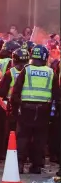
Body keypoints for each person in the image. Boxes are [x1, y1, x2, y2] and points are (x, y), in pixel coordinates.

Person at [11, 44, 60, 174]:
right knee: (40, 138)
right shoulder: (51, 73)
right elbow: (57, 94)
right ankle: (37, 166)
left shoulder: (26, 70)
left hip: (26, 108)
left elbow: (15, 92)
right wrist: (55, 113)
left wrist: (16, 108)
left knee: (22, 137)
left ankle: (20, 165)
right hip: (44, 109)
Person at [0, 48, 30, 135]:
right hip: (28, 108)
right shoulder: (30, 72)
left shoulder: (10, 73)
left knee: (11, 133)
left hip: (13, 108)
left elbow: (1, 92)